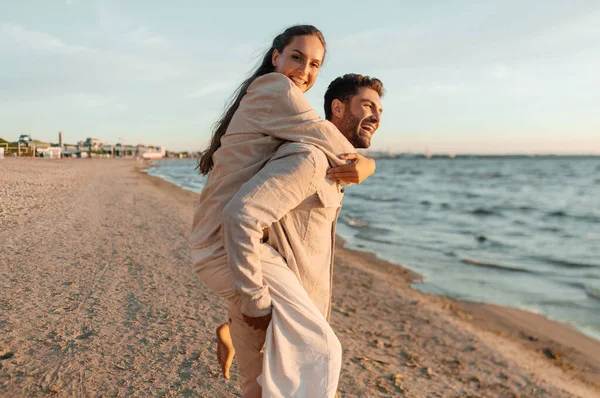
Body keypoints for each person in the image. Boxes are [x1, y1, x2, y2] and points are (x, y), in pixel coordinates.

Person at [190, 25, 382, 397]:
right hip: (225, 247)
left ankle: (234, 326)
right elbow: (244, 216)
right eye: (297, 57)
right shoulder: (278, 96)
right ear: (275, 57)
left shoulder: (285, 124)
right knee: (322, 354)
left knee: (258, 388)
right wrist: (366, 164)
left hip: (234, 253)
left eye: (315, 64)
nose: (305, 70)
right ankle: (242, 319)